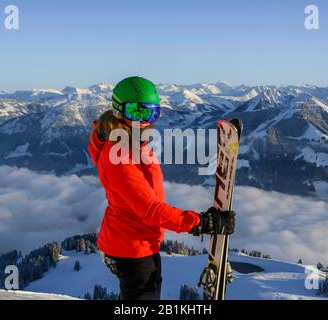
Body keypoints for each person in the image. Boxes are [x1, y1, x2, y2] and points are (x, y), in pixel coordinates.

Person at [88, 76, 235, 300]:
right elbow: (151, 209)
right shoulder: (119, 156)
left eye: (152, 113)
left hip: (140, 242)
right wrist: (201, 222)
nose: (146, 120)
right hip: (132, 248)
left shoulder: (129, 141)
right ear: (119, 110)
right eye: (137, 113)